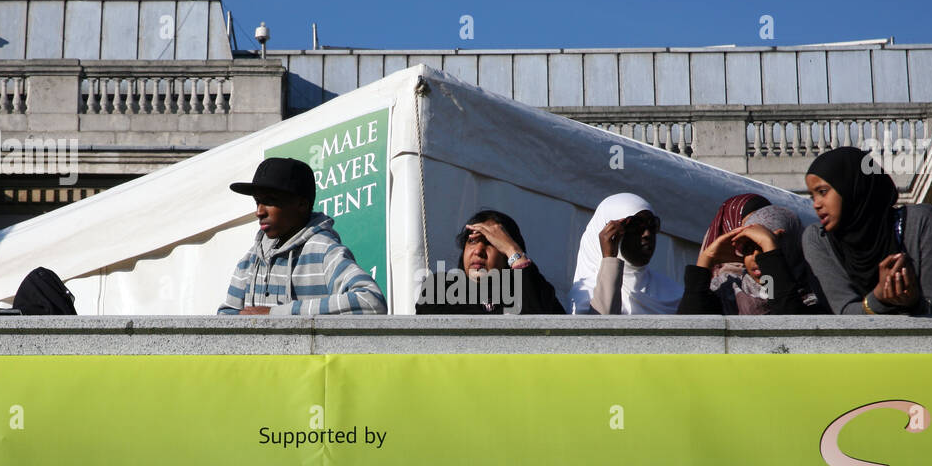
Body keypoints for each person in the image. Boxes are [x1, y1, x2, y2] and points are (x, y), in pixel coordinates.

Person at [217, 157, 386, 316]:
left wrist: (276, 314)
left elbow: (371, 301)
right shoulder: (251, 260)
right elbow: (226, 316)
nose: (259, 212)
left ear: (302, 205)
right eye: (257, 201)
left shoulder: (324, 250)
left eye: (270, 201)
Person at [801, 146, 932, 315]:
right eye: (812, 196)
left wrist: (913, 302)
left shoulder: (921, 223)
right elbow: (843, 314)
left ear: (854, 185)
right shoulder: (818, 239)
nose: (816, 203)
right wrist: (879, 298)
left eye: (822, 192)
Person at [415, 209, 565, 314]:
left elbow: (540, 324)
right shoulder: (441, 287)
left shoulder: (535, 290)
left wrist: (514, 251)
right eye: (472, 241)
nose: (478, 250)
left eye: (490, 243)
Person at [679, 205, 822, 314]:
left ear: (791, 245)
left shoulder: (819, 292)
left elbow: (790, 322)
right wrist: (706, 259)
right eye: (747, 249)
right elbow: (688, 333)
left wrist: (770, 250)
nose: (756, 257)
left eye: (765, 249)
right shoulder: (729, 289)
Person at [570, 193, 682, 314]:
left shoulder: (674, 294)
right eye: (636, 225)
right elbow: (599, 328)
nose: (647, 234)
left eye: (652, 225)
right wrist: (610, 259)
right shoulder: (585, 294)